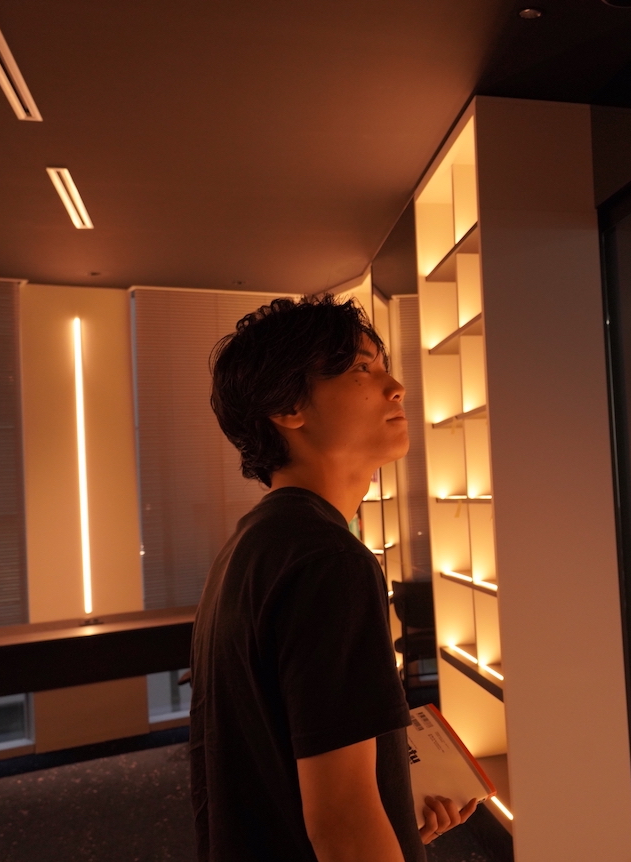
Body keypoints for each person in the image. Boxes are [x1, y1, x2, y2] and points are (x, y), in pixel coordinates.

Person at [192, 295, 474, 861]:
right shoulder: (328, 560)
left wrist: (392, 815)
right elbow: (342, 824)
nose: (396, 387)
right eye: (362, 369)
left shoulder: (254, 545)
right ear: (288, 406)